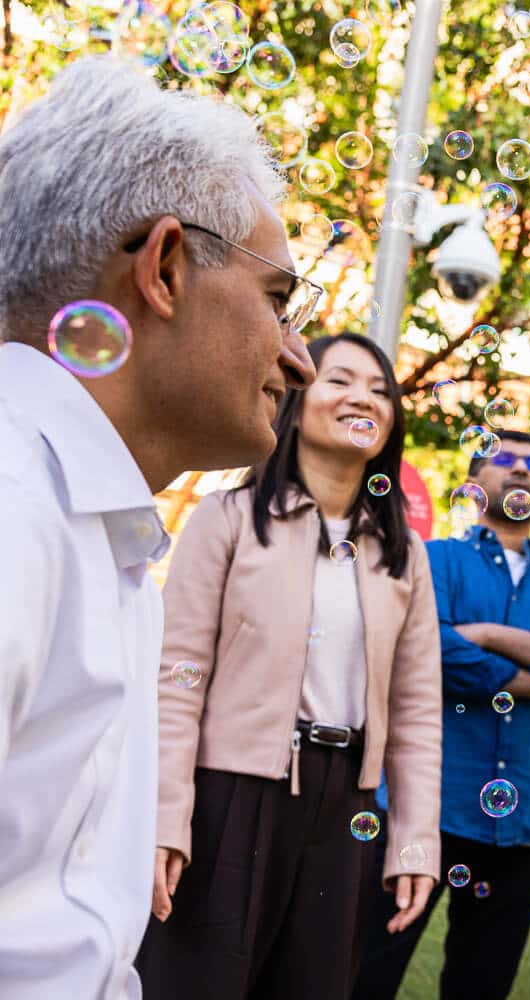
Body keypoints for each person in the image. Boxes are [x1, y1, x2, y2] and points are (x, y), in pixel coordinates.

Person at [0, 58, 316, 1000]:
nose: (299, 359)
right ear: (166, 267)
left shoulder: (108, 539)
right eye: (279, 301)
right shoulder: (15, 508)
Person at [137, 334, 442, 1000]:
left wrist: (416, 839)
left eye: (380, 388)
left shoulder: (404, 555)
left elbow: (419, 711)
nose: (363, 396)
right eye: (340, 380)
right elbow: (176, 680)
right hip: (228, 798)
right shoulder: (227, 520)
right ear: (296, 402)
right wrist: (165, 817)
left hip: (345, 813)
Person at [354, 429, 530, 999]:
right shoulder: (436, 560)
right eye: (504, 459)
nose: (522, 469)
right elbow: (433, 650)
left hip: (521, 826)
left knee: (481, 989)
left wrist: (489, 634)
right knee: (365, 977)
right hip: (424, 808)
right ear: (474, 484)